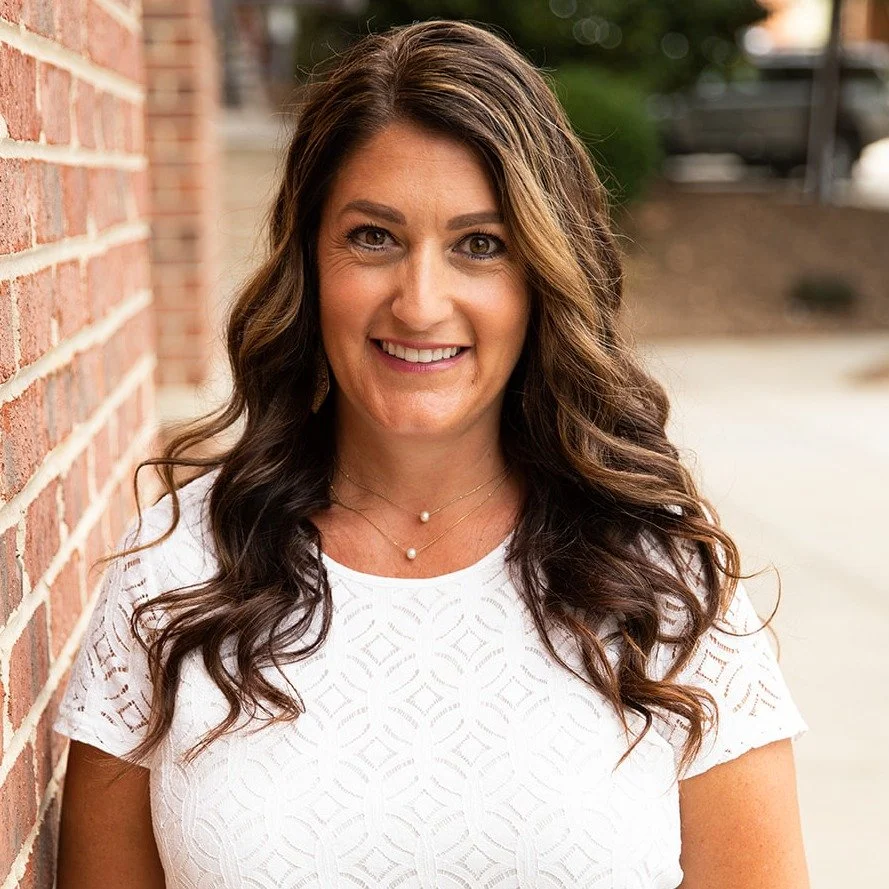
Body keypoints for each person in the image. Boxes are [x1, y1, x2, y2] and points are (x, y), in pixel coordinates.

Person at [53, 19, 810, 889]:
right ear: (309, 262)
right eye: (373, 237)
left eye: (478, 246)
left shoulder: (663, 588)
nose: (419, 302)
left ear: (541, 279)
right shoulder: (175, 576)